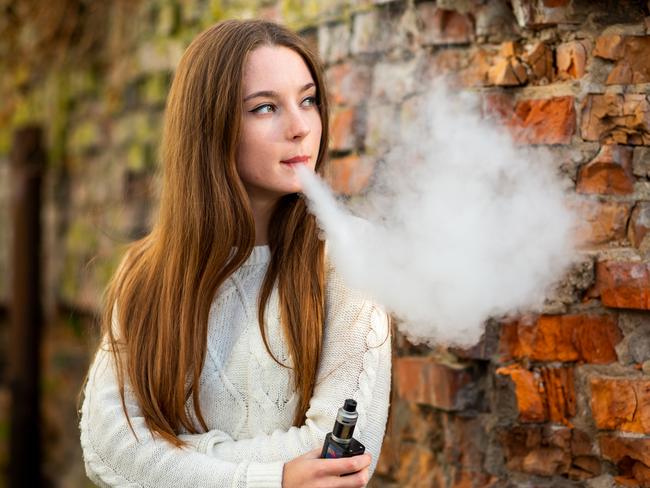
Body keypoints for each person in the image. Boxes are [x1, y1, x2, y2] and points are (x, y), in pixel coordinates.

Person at [79, 19, 391, 488]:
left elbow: (339, 454)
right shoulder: (147, 273)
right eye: (265, 108)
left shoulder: (350, 256)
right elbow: (110, 449)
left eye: (308, 100)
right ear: (210, 127)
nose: (301, 127)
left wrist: (175, 451)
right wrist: (272, 479)